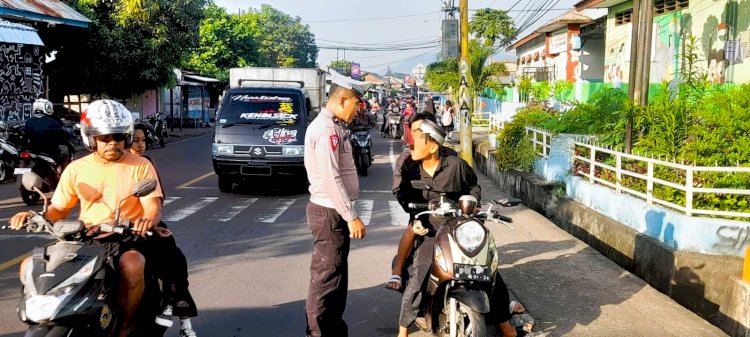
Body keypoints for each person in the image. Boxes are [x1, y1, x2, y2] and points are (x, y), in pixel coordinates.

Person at [9, 99, 163, 337]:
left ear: (127, 137)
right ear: (90, 138)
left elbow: (152, 207)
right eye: (104, 138)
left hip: (126, 235)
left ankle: (122, 328)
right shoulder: (76, 169)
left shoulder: (140, 166)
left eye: (118, 137)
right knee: (29, 266)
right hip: (84, 236)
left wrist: (146, 220)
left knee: (132, 265)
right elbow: (58, 209)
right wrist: (34, 215)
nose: (112, 143)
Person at [389, 113, 516, 337]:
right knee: (420, 272)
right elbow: (405, 198)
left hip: (459, 227)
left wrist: (472, 204)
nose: (410, 144)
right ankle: (402, 331)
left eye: (416, 140)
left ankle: (505, 326)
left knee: (491, 274)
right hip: (430, 228)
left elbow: (473, 186)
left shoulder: (456, 165)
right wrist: (416, 218)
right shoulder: (410, 169)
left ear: (431, 146)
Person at [303, 69, 369, 337]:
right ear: (342, 100)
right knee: (326, 278)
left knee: (337, 276)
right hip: (329, 212)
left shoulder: (336, 126)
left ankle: (333, 329)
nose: (358, 110)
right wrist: (350, 215)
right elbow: (332, 178)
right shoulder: (327, 128)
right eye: (356, 104)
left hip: (333, 212)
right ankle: (318, 331)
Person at [131, 123, 199, 337]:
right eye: (135, 140)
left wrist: (152, 221)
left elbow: (157, 200)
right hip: (119, 230)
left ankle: (181, 318)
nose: (141, 145)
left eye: (143, 140)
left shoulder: (146, 164)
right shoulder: (115, 167)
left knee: (176, 263)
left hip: (148, 225)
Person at [24, 98, 72, 170]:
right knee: (65, 150)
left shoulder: (29, 121)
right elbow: (62, 133)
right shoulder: (51, 121)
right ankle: (63, 173)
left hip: (32, 149)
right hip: (49, 150)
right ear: (45, 108)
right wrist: (69, 135)